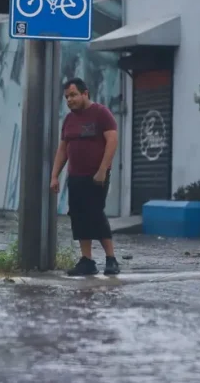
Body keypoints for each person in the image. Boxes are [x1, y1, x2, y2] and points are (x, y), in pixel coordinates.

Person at [51, 78, 120, 276]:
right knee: (79, 216)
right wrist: (55, 176)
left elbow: (112, 140)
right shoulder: (69, 119)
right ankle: (87, 261)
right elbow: (63, 149)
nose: (69, 100)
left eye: (73, 95)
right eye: (66, 97)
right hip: (75, 176)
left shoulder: (101, 113)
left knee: (96, 214)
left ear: (85, 94)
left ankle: (111, 259)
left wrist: (102, 170)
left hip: (96, 175)